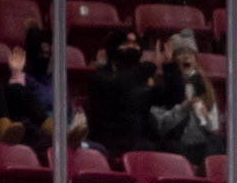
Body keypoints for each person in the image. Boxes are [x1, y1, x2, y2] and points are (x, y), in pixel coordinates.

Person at [146, 30, 219, 164]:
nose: (186, 56)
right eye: (181, 53)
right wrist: (183, 108)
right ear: (173, 59)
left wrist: (205, 117)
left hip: (201, 146)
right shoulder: (162, 86)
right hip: (176, 147)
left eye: (190, 53)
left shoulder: (204, 87)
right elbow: (159, 125)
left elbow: (213, 126)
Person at [89, 30, 159, 159]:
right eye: (126, 44)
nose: (132, 47)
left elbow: (169, 98)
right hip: (111, 139)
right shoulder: (102, 76)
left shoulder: (143, 77)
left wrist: (171, 67)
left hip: (140, 139)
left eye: (135, 44)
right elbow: (118, 86)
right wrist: (148, 67)